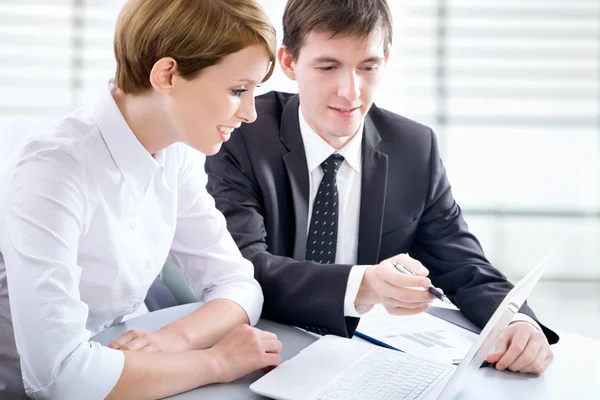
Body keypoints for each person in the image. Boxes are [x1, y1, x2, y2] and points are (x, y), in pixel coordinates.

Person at [205, 0, 559, 376]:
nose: (350, 92)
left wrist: (517, 323)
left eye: (367, 67)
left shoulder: (414, 148)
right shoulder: (241, 133)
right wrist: (363, 285)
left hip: (364, 362)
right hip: (257, 349)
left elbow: (464, 266)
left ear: (386, 59)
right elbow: (242, 268)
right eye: (328, 67)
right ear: (290, 63)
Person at [0, 0, 281, 399]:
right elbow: (60, 378)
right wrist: (216, 362)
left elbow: (238, 284)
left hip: (142, 369)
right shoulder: (52, 170)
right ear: (167, 74)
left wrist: (174, 340)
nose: (250, 113)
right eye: (238, 90)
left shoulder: (174, 152)